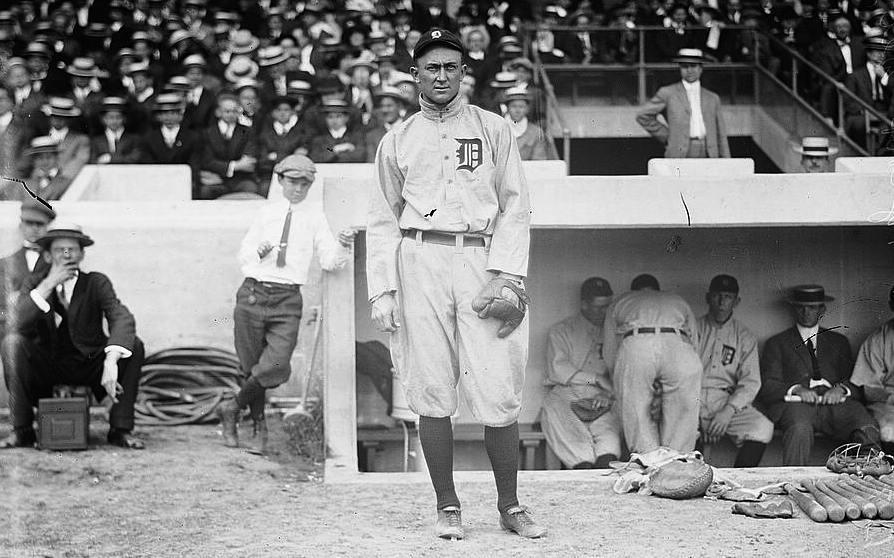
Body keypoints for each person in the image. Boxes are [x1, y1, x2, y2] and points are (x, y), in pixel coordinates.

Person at [366, 28, 543, 540]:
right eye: (431, 67)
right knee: (431, 384)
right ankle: (448, 506)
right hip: (419, 257)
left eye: (450, 66)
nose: (441, 75)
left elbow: (516, 204)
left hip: (481, 260)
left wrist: (507, 274)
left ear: (464, 71)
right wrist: (383, 289)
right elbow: (382, 219)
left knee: (497, 384)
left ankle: (510, 505)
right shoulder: (397, 138)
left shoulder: (493, 129)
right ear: (415, 74)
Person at [215, 155, 354, 453]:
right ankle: (258, 428)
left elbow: (329, 261)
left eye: (305, 183)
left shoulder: (316, 217)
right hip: (253, 293)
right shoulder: (267, 213)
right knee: (250, 367)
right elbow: (244, 255)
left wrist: (343, 243)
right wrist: (258, 251)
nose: (298, 189)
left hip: (287, 299)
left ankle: (232, 407)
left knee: (275, 365)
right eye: (293, 182)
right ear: (280, 181)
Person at [0, 223, 145, 450]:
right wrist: (48, 284)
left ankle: (120, 429)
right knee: (12, 343)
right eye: (59, 250)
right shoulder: (35, 284)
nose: (67, 254)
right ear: (47, 256)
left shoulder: (96, 282)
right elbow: (16, 324)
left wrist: (111, 359)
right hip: (48, 366)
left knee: (133, 345)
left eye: (72, 249)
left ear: (82, 254)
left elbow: (121, 317)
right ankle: (22, 430)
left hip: (88, 366)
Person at [757, 285, 880, 466]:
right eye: (801, 307)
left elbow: (856, 381)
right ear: (793, 308)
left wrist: (841, 390)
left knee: (864, 423)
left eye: (812, 307)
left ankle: (865, 479)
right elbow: (767, 385)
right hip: (797, 406)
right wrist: (796, 389)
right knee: (799, 429)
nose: (806, 312)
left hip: (835, 405)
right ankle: (794, 484)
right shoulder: (777, 343)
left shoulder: (838, 342)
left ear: (822, 309)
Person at [603, 273, 702, 453]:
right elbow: (695, 342)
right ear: (659, 291)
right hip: (678, 344)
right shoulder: (676, 300)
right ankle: (678, 462)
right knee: (682, 418)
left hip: (637, 343)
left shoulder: (622, 301)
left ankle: (647, 461)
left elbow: (610, 351)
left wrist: (619, 378)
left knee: (637, 412)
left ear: (634, 292)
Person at [542, 277, 622, 469]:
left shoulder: (616, 332)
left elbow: (620, 371)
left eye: (607, 306)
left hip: (601, 396)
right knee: (573, 438)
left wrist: (608, 393)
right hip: (566, 393)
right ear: (584, 304)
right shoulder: (562, 330)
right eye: (598, 307)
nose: (604, 312)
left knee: (608, 436)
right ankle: (583, 468)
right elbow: (558, 370)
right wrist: (594, 378)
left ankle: (604, 464)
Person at [695, 274, 773, 467]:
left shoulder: (744, 336)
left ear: (736, 301)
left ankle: (739, 481)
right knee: (684, 429)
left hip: (725, 400)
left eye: (728, 297)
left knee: (762, 427)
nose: (722, 302)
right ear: (708, 297)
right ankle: (689, 479)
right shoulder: (692, 328)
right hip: (691, 399)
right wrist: (698, 416)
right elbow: (679, 376)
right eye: (717, 295)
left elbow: (751, 382)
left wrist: (727, 412)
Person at [636, 48, 730, 158]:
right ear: (680, 68)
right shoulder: (668, 93)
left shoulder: (713, 98)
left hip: (709, 151)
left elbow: (721, 134)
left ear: (701, 68)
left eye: (693, 66)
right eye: (685, 66)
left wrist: (727, 161)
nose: (689, 70)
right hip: (680, 151)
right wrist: (669, 136)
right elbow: (642, 115)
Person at [846, 285, 894, 453]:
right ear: (891, 306)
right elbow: (869, 389)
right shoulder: (878, 339)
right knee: (889, 429)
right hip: (888, 405)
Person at [0, 200, 55, 338]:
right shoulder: (5, 263)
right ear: (21, 226)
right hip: (16, 334)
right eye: (29, 223)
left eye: (40, 224)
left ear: (48, 227)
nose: (35, 229)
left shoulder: (57, 262)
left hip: (48, 336)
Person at [199, 92, 260, 199]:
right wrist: (235, 166)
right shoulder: (207, 133)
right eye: (227, 111)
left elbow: (249, 162)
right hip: (215, 178)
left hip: (240, 179)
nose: (231, 114)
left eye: (234, 111)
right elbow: (207, 161)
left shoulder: (247, 131)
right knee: (205, 191)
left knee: (251, 189)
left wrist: (240, 166)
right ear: (218, 112)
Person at [502, 87, 558, 161]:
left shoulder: (536, 132)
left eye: (521, 107)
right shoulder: (498, 130)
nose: (517, 110)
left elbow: (538, 161)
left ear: (527, 109)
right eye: (514, 106)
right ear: (507, 108)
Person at [89, 97, 142, 164]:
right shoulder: (96, 141)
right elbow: (92, 160)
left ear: (124, 119)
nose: (114, 121)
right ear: (103, 119)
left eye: (118, 117)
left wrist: (111, 158)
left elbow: (135, 158)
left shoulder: (134, 139)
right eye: (110, 117)